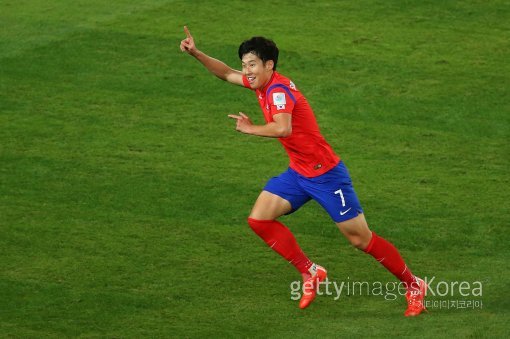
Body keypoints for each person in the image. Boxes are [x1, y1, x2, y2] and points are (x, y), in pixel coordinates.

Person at [180, 26, 427, 316]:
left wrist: (250, 129)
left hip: (327, 175)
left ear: (269, 65)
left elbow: (283, 127)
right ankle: (311, 271)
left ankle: (414, 284)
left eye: (252, 65)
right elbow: (225, 73)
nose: (246, 71)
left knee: (360, 239)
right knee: (259, 219)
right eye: (245, 64)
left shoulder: (278, 91)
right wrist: (196, 53)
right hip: (299, 173)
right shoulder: (260, 83)